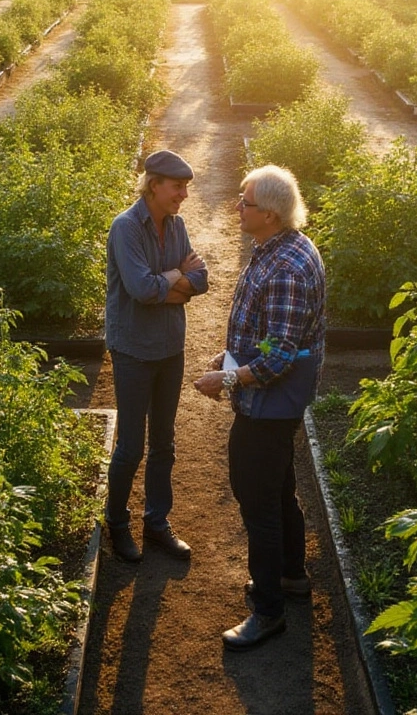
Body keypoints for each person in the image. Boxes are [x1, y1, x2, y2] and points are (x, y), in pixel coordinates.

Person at [193, 164, 325, 651]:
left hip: (269, 405)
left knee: (258, 501)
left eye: (244, 201)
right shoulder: (278, 247)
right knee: (280, 485)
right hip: (272, 401)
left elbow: (281, 356)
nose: (236, 206)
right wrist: (228, 355)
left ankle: (268, 611)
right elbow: (266, 332)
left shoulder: (287, 267)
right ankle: (291, 576)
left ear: (269, 214)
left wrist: (225, 378)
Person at [104, 149, 209, 563]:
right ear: (154, 185)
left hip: (170, 349)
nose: (183, 194)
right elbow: (141, 290)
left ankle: (157, 521)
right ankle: (116, 522)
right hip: (133, 350)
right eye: (177, 187)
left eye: (185, 187)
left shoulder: (177, 225)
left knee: (164, 441)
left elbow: (202, 280)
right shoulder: (126, 228)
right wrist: (176, 278)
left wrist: (175, 281)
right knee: (131, 445)